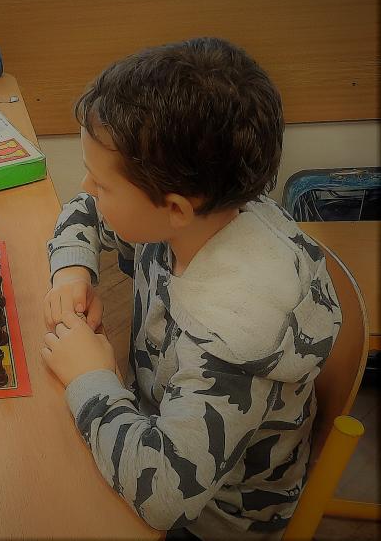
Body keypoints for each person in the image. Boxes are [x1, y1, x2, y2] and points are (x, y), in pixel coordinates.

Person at [41, 37, 342, 539]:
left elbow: (163, 496)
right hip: (154, 420)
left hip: (211, 519)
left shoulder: (234, 339)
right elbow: (85, 209)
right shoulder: (200, 212)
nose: (88, 188)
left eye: (102, 182)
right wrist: (73, 271)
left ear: (176, 208)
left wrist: (89, 377)